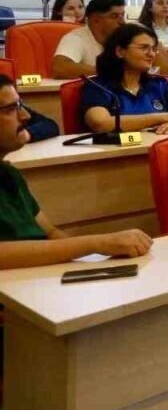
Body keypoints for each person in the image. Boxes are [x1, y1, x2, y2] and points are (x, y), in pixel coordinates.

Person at [0, 74, 153, 267]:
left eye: (20, 105)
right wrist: (97, 243)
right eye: (11, 109)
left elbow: (51, 233)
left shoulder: (9, 174)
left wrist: (92, 263)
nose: (25, 116)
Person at [81, 24, 168, 135]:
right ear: (120, 51)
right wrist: (162, 118)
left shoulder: (158, 84)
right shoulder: (98, 86)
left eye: (154, 49)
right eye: (144, 48)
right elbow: (100, 123)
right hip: (120, 148)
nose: (151, 54)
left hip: (155, 146)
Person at [52, 0, 129, 79]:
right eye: (114, 16)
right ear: (96, 20)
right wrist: (109, 73)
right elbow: (60, 68)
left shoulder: (126, 39)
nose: (122, 22)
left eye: (123, 15)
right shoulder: (76, 38)